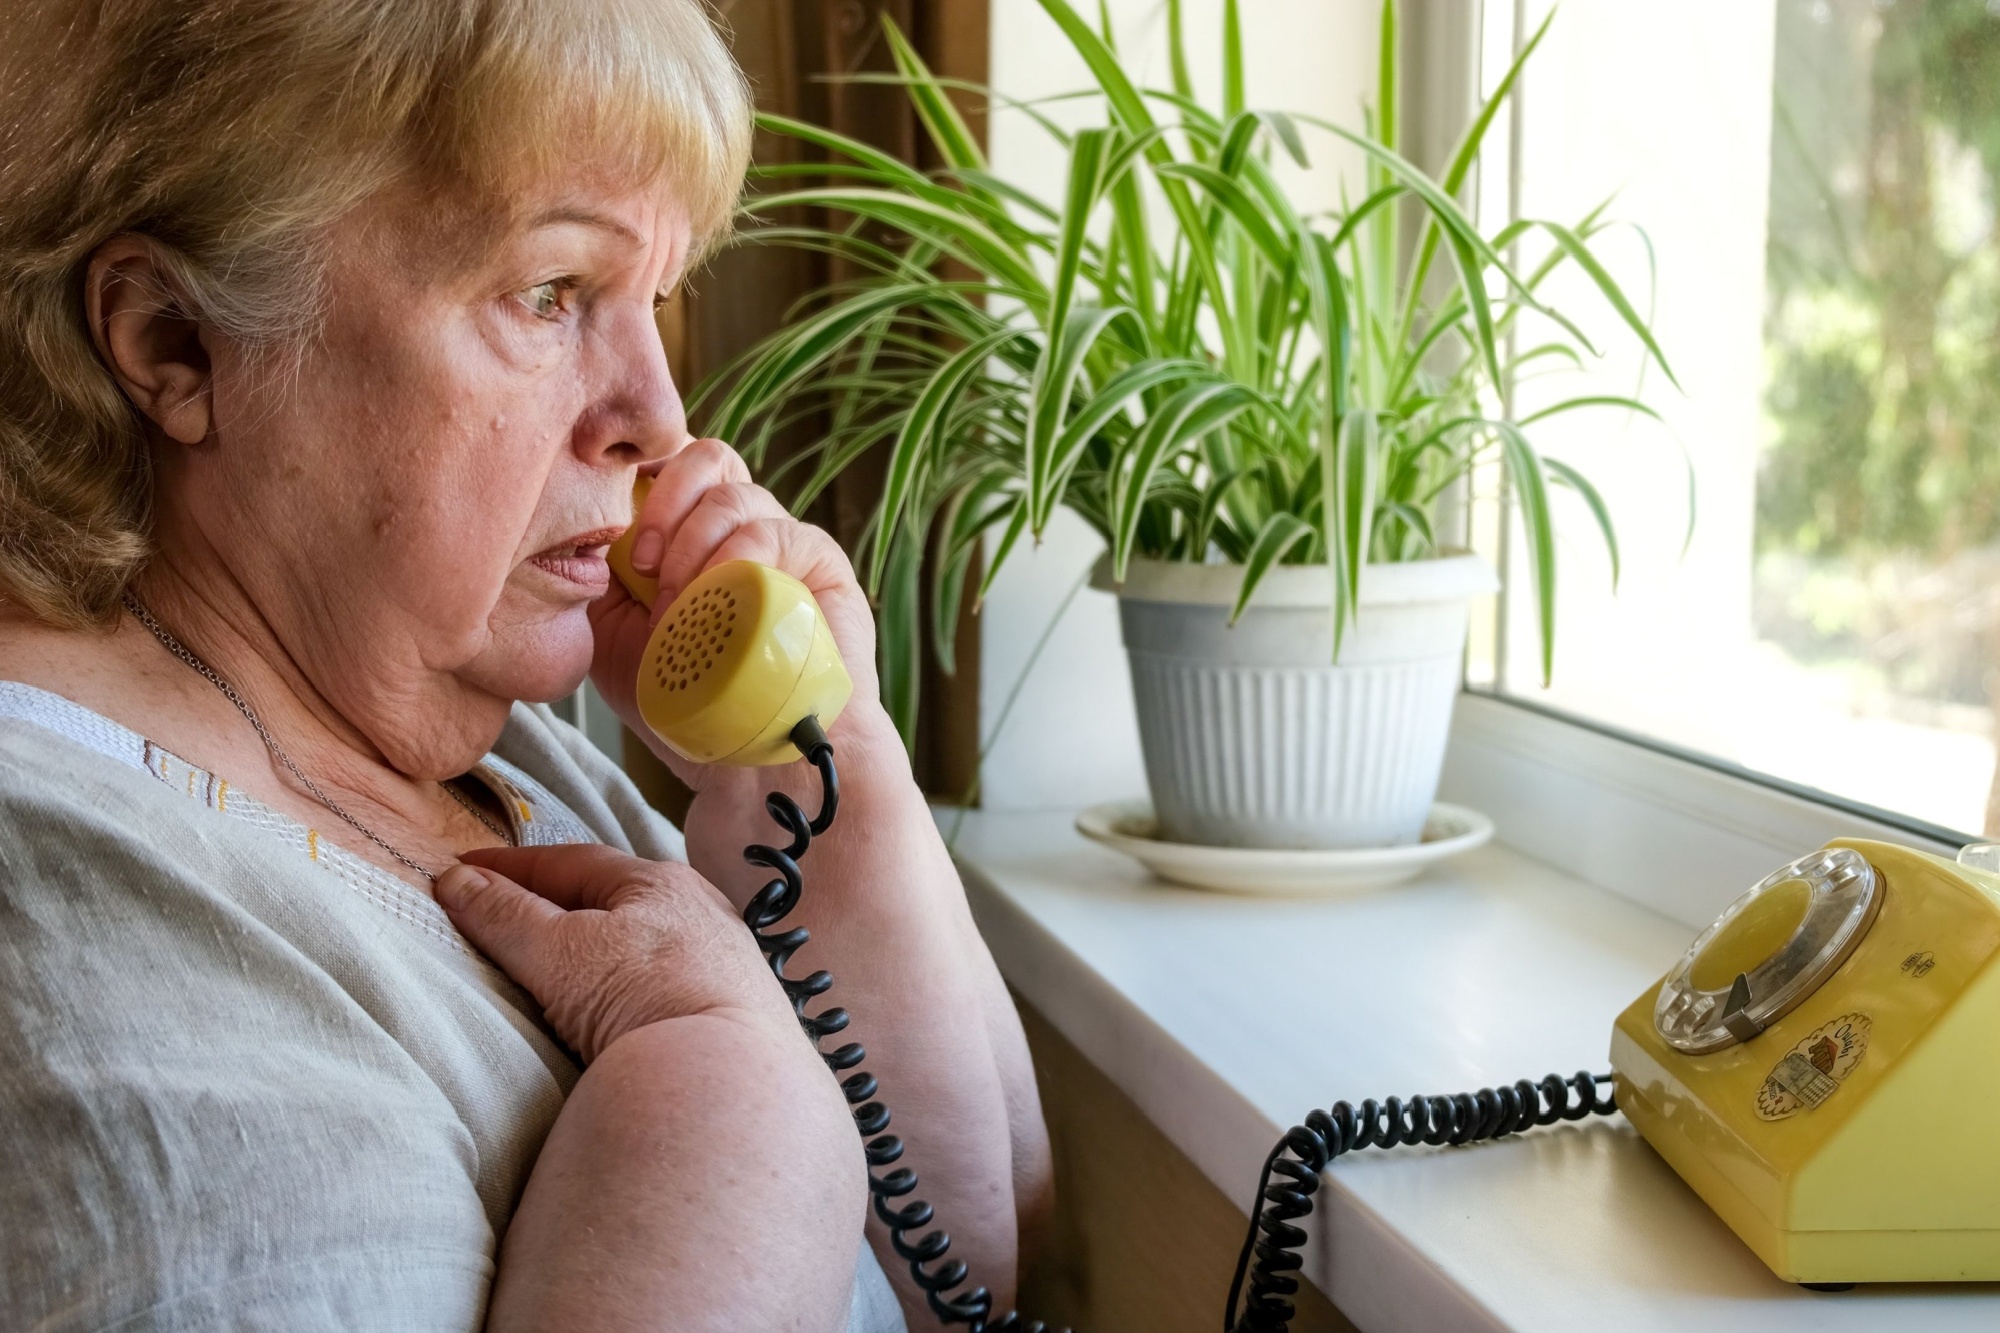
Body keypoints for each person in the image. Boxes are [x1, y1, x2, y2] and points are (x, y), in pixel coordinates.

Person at [0, 2, 1051, 1329]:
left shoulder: (481, 738)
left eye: (654, 300)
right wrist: (729, 1085)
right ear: (176, 340)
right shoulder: (76, 895)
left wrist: (818, 768)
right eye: (550, 295)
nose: (658, 418)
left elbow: (972, 1262)